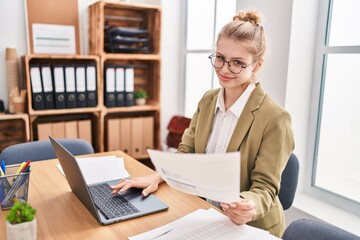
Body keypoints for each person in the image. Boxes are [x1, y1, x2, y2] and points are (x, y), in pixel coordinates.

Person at [111, 10, 295, 237]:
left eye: (237, 62)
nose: (225, 69)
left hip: (249, 228)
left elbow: (265, 189)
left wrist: (247, 204)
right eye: (220, 58)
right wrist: (156, 176)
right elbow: (186, 152)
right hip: (206, 214)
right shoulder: (208, 100)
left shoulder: (275, 118)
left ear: (256, 65)